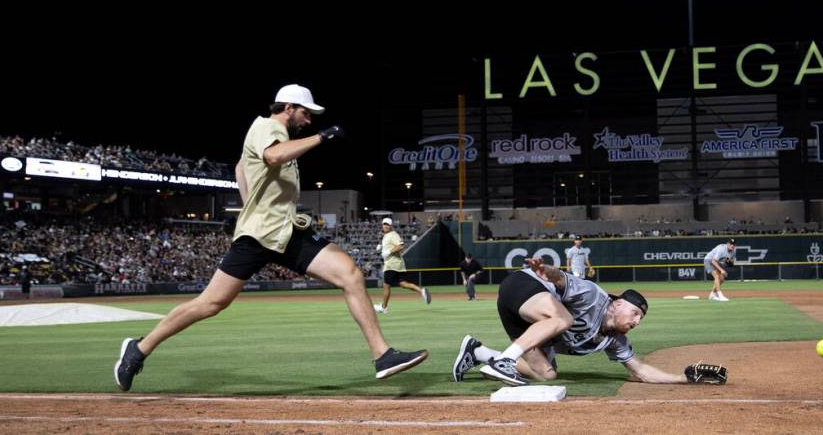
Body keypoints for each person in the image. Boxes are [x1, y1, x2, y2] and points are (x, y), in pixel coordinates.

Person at [114, 84, 427, 391]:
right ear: (288, 108)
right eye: (305, 113)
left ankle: (382, 355)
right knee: (211, 303)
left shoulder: (280, 137)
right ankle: (139, 349)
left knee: (350, 274)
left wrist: (252, 201)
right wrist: (321, 137)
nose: (308, 120)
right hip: (259, 235)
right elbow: (272, 157)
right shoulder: (266, 126)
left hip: (286, 230)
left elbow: (241, 166)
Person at [452, 259, 723, 386]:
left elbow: (640, 371)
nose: (637, 320)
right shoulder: (595, 296)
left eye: (641, 318)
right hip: (523, 285)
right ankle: (505, 362)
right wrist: (547, 270)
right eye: (635, 313)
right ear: (617, 304)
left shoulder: (614, 340)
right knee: (564, 318)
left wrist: (683, 378)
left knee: (547, 374)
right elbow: (560, 280)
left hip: (522, 319)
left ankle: (479, 352)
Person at [374, 217, 430, 313]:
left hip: (392, 264)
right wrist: (382, 247)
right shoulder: (386, 236)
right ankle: (421, 291)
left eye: (387, 224)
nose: (385, 226)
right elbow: (390, 246)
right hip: (397, 265)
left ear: (391, 226)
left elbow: (401, 246)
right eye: (384, 224)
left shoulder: (393, 234)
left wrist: (388, 252)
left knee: (386, 285)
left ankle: (384, 307)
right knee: (403, 284)